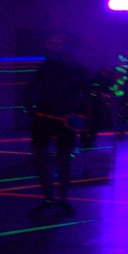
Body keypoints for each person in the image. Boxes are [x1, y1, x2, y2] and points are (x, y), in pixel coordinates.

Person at [25, 34, 90, 218]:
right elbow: (85, 99)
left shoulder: (58, 67)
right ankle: (57, 199)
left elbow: (33, 86)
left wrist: (28, 106)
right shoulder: (74, 69)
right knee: (56, 159)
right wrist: (85, 121)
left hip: (55, 117)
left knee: (53, 159)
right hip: (59, 118)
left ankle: (54, 199)